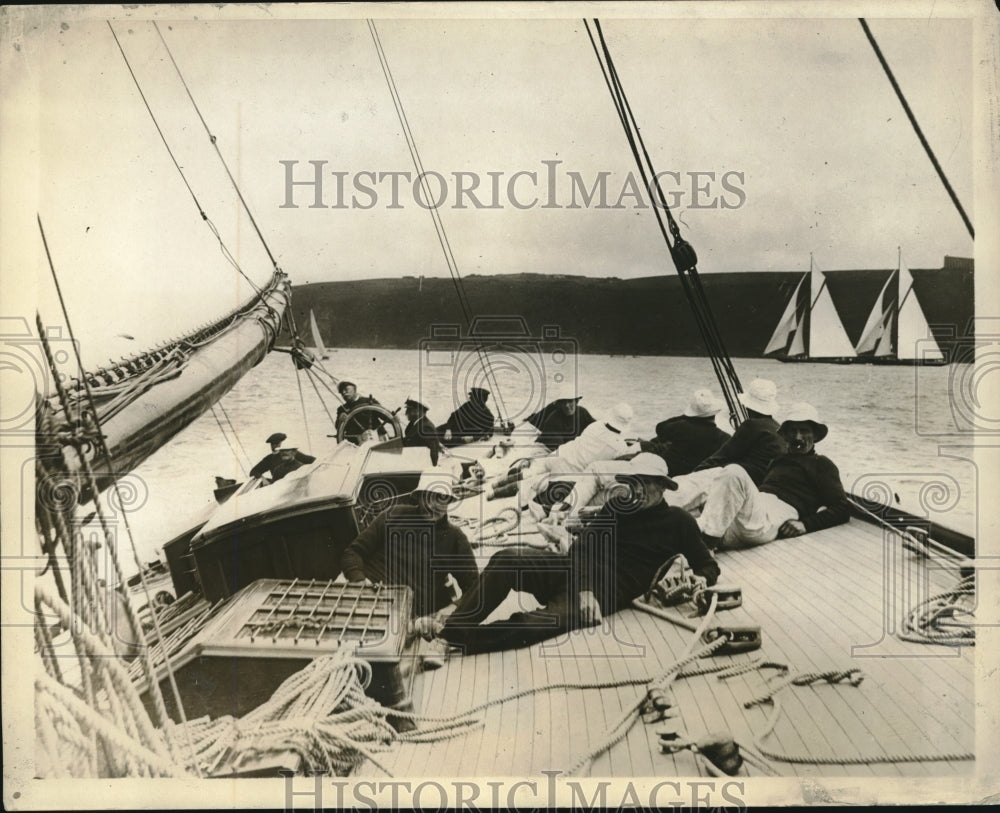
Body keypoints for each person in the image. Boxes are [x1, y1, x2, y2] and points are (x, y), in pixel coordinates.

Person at [419, 453, 720, 655]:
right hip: (575, 572)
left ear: (664, 487)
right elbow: (583, 546)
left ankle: (454, 640)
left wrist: (699, 580)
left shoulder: (679, 522)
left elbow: (708, 565)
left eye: (648, 484)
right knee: (508, 558)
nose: (639, 490)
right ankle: (454, 627)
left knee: (533, 624)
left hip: (605, 592)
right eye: (635, 482)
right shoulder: (616, 507)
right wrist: (585, 585)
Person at [697, 403, 850, 550]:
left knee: (733, 471)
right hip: (750, 516)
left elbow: (842, 508)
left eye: (804, 431)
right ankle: (704, 544)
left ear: (815, 435)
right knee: (687, 526)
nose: (798, 437)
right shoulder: (778, 460)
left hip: (769, 519)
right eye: (793, 431)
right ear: (786, 436)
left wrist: (806, 524)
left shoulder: (821, 464)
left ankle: (708, 543)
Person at [340, 470, 479, 618]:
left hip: (404, 614)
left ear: (449, 501)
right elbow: (352, 553)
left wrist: (452, 607)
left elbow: (475, 588)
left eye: (440, 498)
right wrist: (360, 582)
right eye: (426, 496)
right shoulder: (394, 514)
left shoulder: (455, 538)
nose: (431, 505)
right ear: (418, 497)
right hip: (366, 597)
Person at [486, 402, 637, 509]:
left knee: (530, 472)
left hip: (561, 454)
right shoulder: (620, 447)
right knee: (536, 482)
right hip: (571, 469)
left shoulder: (595, 426)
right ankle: (493, 494)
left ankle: (496, 485)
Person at [669, 378, 786, 512]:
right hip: (759, 481)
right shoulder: (777, 427)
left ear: (747, 406)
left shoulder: (751, 425)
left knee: (684, 484)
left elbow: (722, 456)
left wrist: (696, 472)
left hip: (741, 476)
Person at [639, 389, 731, 477]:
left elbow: (660, 428)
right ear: (714, 412)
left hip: (670, 473)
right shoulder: (724, 438)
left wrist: (686, 416)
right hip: (697, 477)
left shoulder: (680, 427)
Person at [520, 389, 596, 451]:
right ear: (560, 404)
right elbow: (550, 444)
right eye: (564, 402)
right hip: (553, 448)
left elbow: (595, 427)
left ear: (576, 401)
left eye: (570, 401)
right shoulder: (554, 418)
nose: (567, 405)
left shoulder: (582, 412)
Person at [248, 433, 316, 482]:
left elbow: (314, 461)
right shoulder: (269, 459)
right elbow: (254, 471)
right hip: (278, 486)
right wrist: (263, 479)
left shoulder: (294, 454)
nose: (274, 447)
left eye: (277, 443)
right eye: (272, 444)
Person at [401, 398, 441, 466]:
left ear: (418, 411)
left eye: (409, 410)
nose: (406, 413)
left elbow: (433, 457)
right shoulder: (416, 424)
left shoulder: (426, 428)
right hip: (413, 461)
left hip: (420, 468)